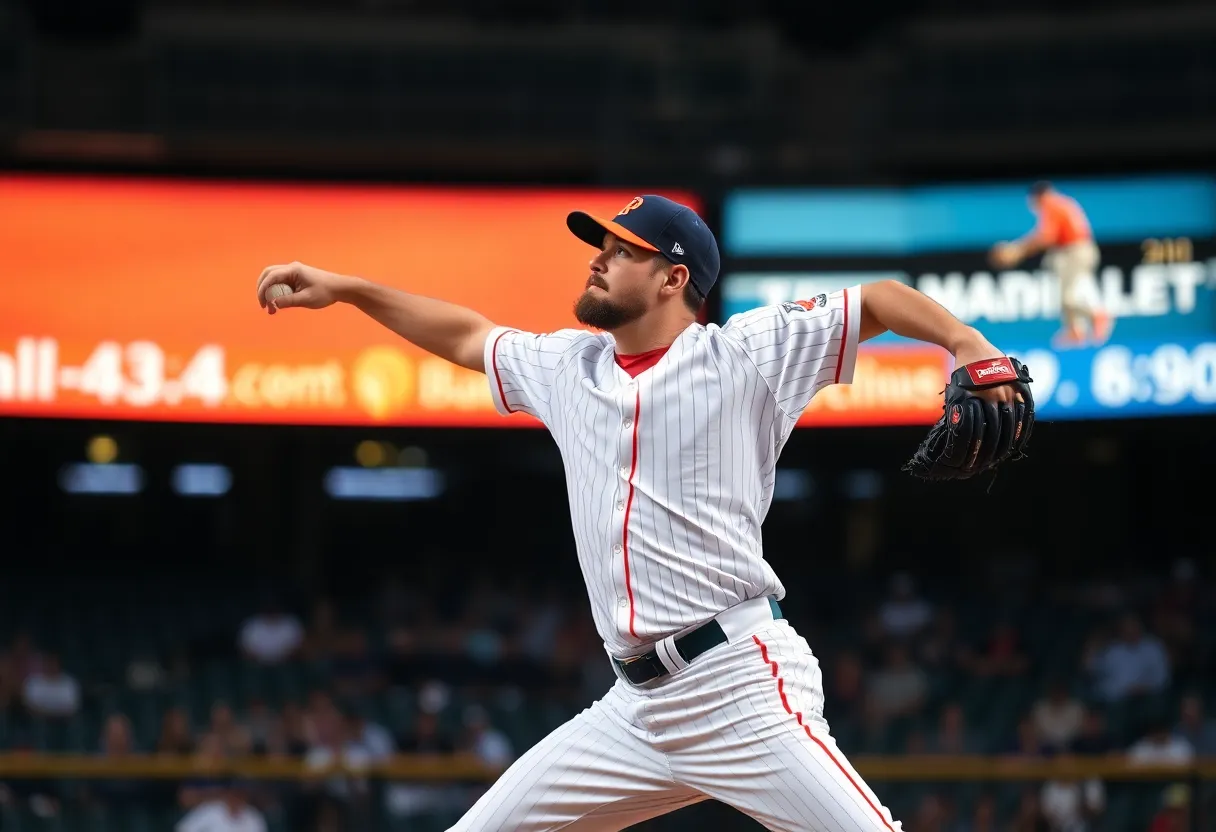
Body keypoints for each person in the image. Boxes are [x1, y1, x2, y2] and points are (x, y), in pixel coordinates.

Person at [257, 194, 1024, 832]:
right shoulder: (568, 367)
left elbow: (879, 301)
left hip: (737, 685)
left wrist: (966, 344)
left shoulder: (742, 354)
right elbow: (465, 334)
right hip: (635, 709)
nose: (599, 257)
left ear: (672, 278)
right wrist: (351, 289)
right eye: (602, 245)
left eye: (622, 249)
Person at [989, 180, 1112, 349]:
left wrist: (1017, 250)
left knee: (1068, 297)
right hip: (1076, 250)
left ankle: (1096, 316)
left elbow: (1046, 237)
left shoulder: (1051, 203)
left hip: (1074, 252)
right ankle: (1076, 331)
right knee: (1071, 293)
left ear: (1038, 196)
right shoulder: (1063, 201)